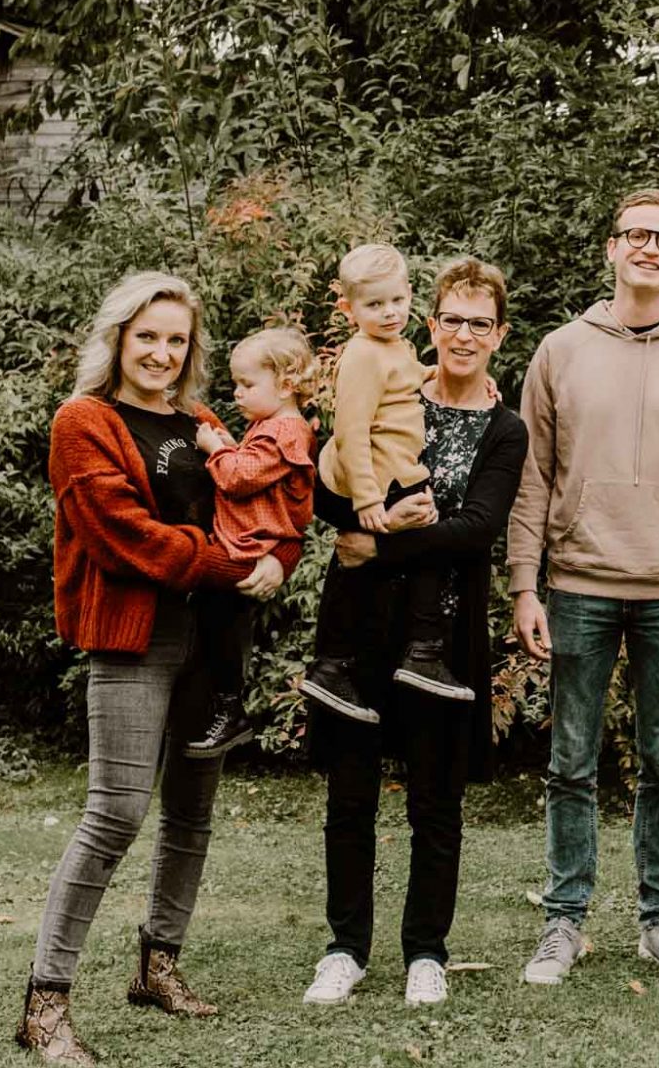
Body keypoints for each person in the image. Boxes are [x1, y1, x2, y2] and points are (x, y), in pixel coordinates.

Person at [18, 273, 295, 1066]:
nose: (162, 354)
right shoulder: (85, 421)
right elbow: (122, 535)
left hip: (213, 643)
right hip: (134, 639)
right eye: (148, 337)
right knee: (114, 814)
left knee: (191, 813)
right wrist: (224, 561)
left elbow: (268, 499)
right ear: (117, 338)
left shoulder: (203, 421)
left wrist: (279, 556)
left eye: (177, 341)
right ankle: (46, 1005)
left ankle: (157, 967)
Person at [507, 187, 659, 988]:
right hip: (577, 583)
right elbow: (532, 478)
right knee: (569, 762)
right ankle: (565, 924)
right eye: (637, 235)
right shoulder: (559, 351)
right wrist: (523, 584)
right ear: (611, 248)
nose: (650, 248)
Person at [299, 255, 529, 1009]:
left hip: (441, 639)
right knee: (351, 794)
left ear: (499, 335)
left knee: (435, 800)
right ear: (431, 324)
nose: (464, 334)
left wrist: (381, 541)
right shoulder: (388, 385)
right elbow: (323, 488)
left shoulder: (505, 429)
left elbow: (476, 531)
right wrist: (360, 524)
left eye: (480, 323)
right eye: (452, 319)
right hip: (361, 626)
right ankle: (345, 947)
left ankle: (425, 951)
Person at [302, 243, 465, 726]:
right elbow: (350, 429)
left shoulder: (395, 347)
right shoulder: (361, 356)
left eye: (396, 300)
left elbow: (408, 378)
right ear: (348, 309)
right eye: (374, 305)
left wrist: (448, 372)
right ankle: (411, 651)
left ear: (410, 293)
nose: (390, 312)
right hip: (366, 476)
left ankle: (353, 660)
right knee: (423, 540)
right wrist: (369, 498)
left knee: (369, 554)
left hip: (390, 469)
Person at [185, 328, 319, 757]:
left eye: (247, 384)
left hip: (249, 545)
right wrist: (229, 446)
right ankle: (221, 705)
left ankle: (229, 708)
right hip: (247, 541)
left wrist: (212, 448)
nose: (237, 394)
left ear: (285, 384)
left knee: (218, 621)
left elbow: (239, 479)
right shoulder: (272, 427)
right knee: (216, 623)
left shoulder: (282, 432)